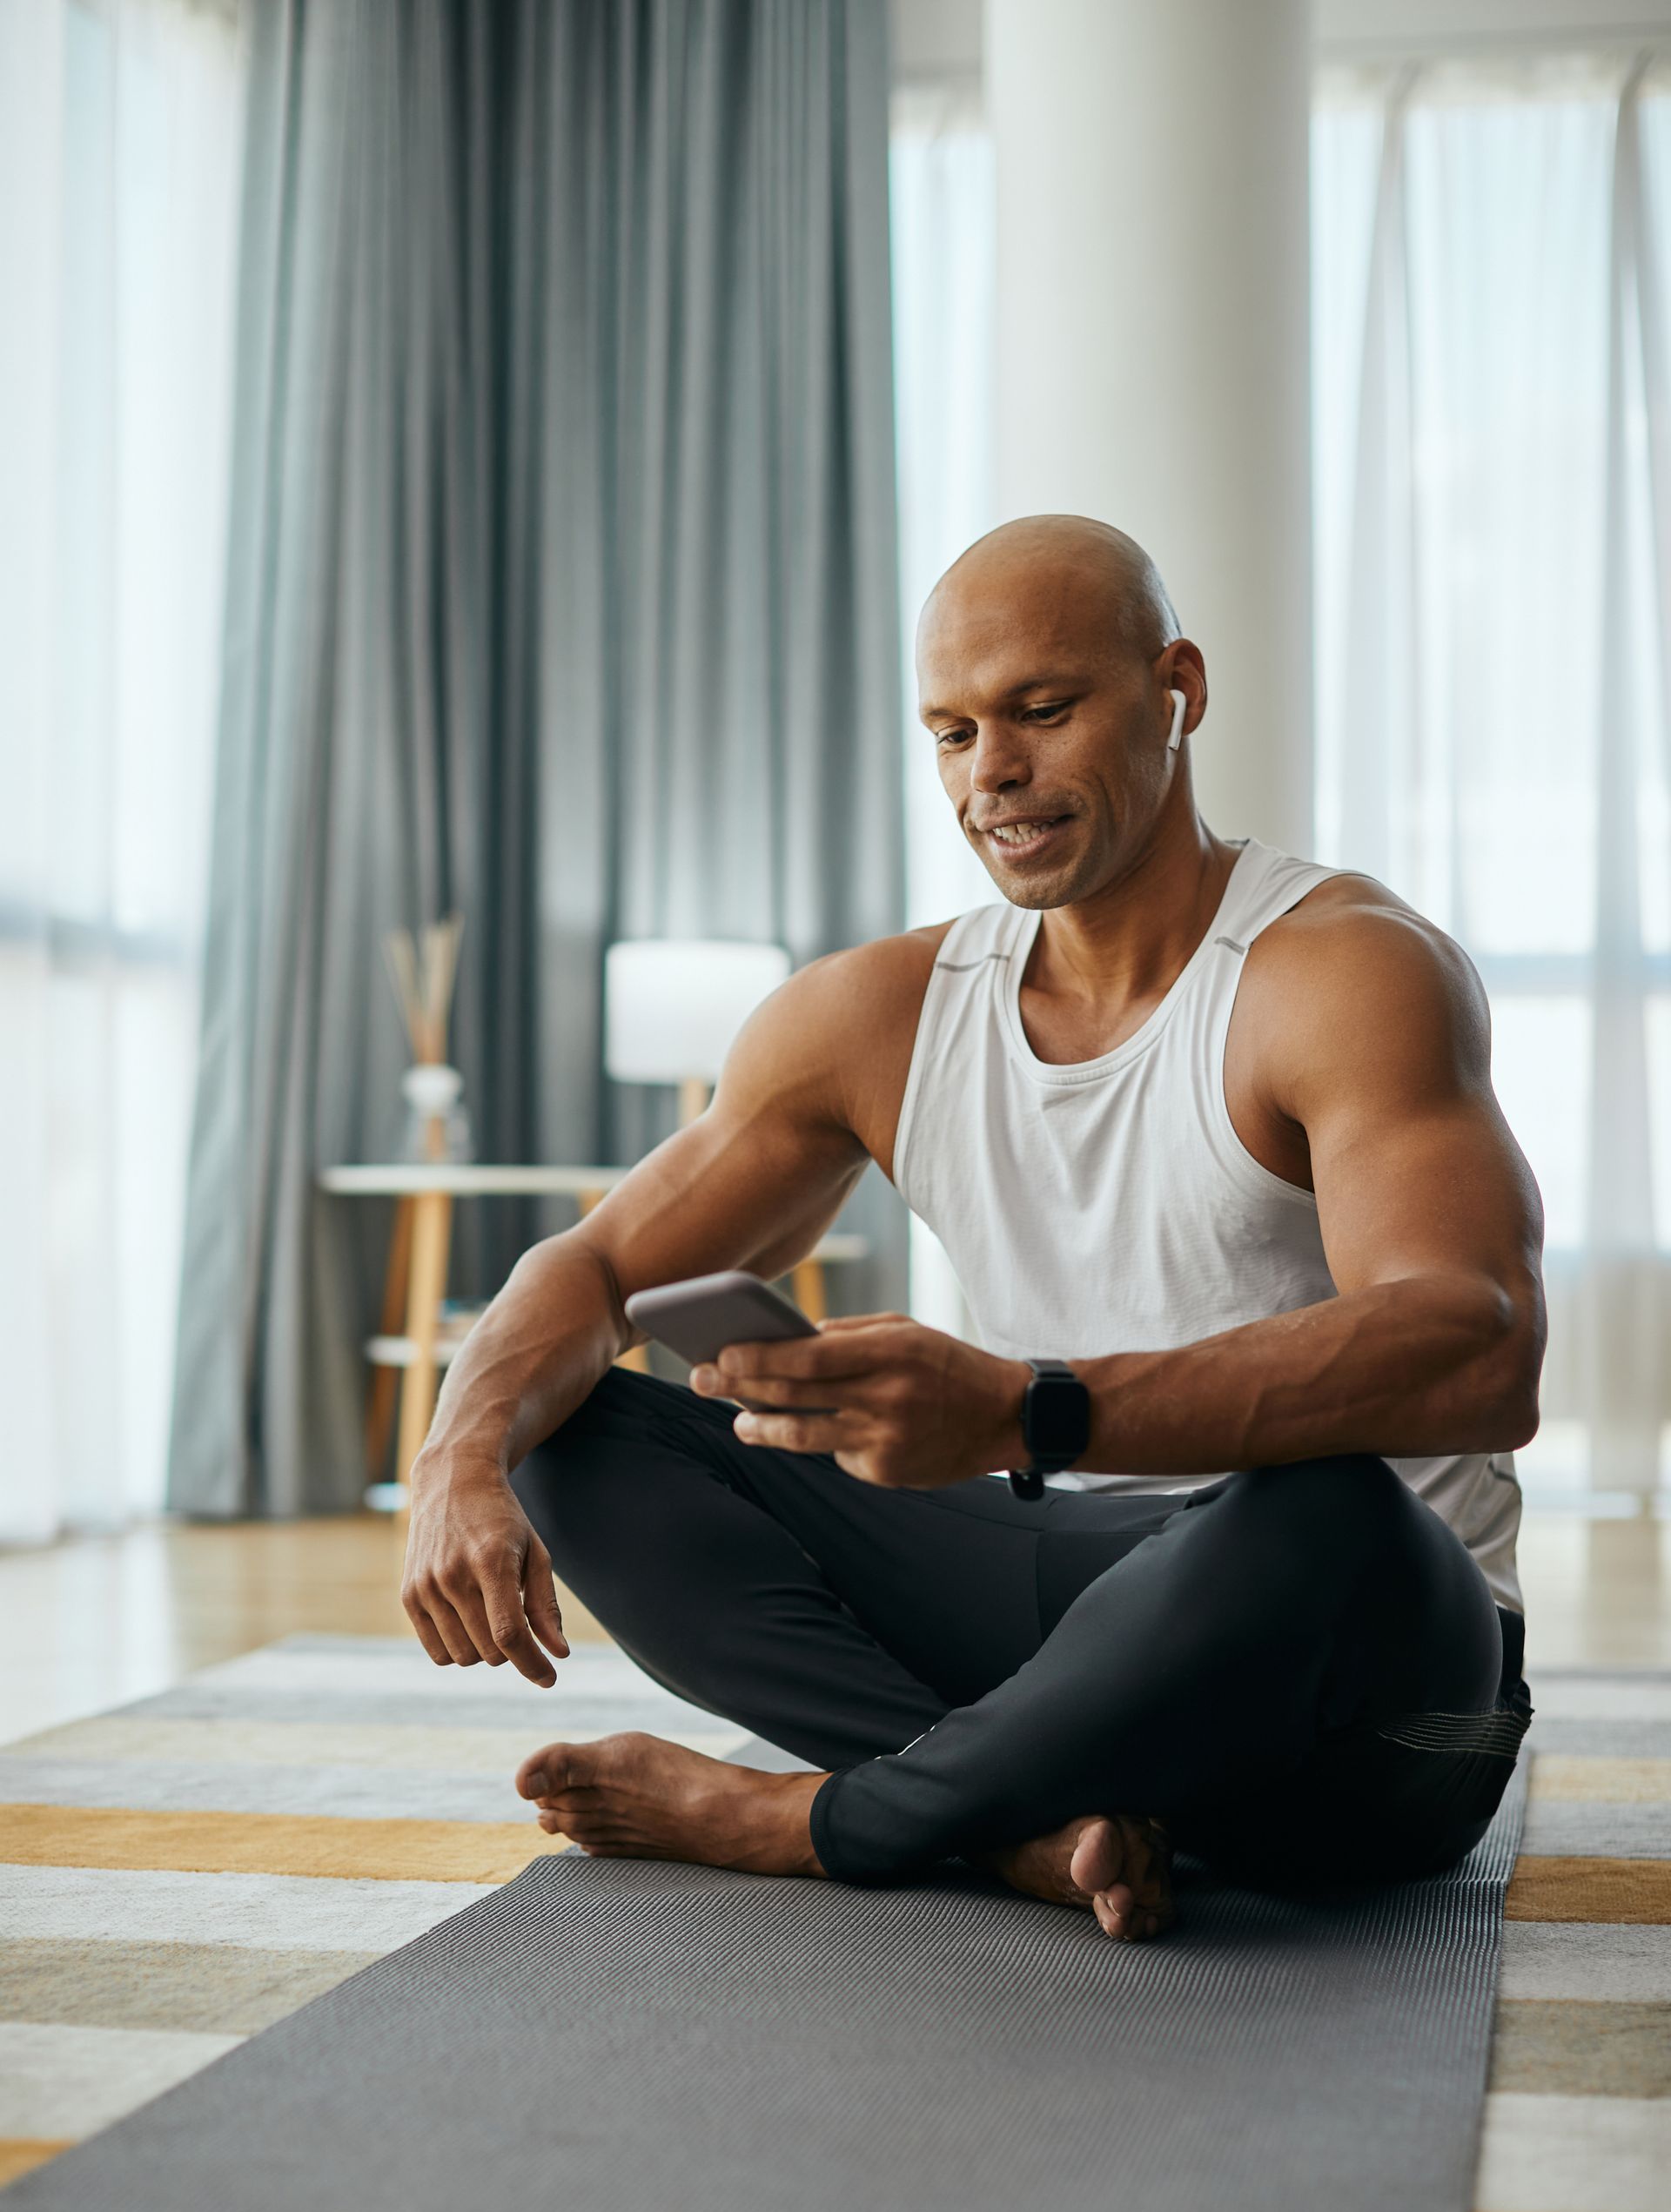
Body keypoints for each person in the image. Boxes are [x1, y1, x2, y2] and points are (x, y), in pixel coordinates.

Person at [401, 515, 1544, 1942]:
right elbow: (595, 1270)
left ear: (1176, 689)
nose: (991, 773)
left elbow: (1477, 1348)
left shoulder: (1338, 974)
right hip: (1061, 1587)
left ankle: (827, 1817)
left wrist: (1023, 1408)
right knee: (570, 1424)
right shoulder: (877, 1016)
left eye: (1041, 713)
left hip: (1361, 1679)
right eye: (950, 732)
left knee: (1324, 1504)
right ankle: (1024, 1825)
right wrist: (456, 1455)